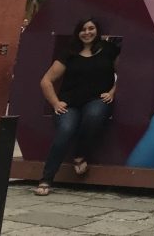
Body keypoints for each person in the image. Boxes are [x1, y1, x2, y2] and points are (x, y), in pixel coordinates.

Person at [34, 17, 119, 196]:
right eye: (83, 29)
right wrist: (55, 102)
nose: (87, 32)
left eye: (91, 28)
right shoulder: (69, 53)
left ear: (98, 30)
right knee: (65, 129)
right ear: (77, 32)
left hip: (97, 100)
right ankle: (46, 178)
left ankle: (80, 154)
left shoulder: (109, 50)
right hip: (70, 103)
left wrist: (112, 91)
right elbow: (46, 81)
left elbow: (127, 73)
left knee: (94, 116)